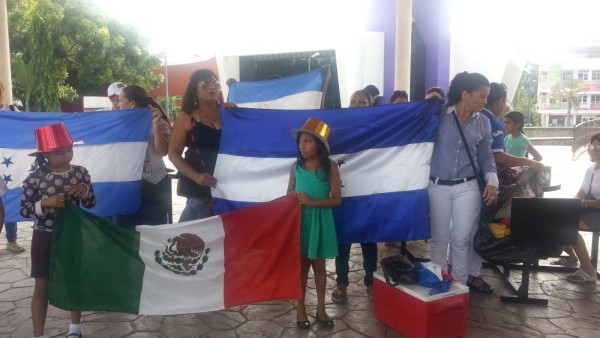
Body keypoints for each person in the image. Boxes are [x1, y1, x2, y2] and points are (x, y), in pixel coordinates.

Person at [20, 123, 96, 338]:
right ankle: (39, 334)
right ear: (45, 154)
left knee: (73, 279)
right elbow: (25, 211)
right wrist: (45, 203)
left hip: (73, 234)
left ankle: (74, 329)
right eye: (59, 152)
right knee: (41, 285)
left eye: (69, 150)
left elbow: (90, 204)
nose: (66, 156)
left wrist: (84, 191)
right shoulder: (35, 178)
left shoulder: (81, 173)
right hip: (44, 235)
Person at [428, 72, 498, 291]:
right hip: (437, 186)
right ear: (465, 94)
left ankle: (458, 287)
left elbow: (486, 156)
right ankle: (438, 282)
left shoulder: (483, 122)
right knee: (439, 239)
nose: (485, 101)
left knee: (461, 240)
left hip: (467, 187)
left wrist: (492, 180)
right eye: (482, 96)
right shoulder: (439, 115)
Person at [288, 117, 341, 329]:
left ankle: (321, 308)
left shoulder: (331, 167)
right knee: (301, 268)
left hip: (320, 221)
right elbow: (289, 194)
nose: (302, 145)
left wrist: (312, 202)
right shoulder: (295, 167)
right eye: (301, 141)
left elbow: (337, 199)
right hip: (301, 223)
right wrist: (292, 201)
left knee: (320, 267)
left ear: (319, 145)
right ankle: (301, 309)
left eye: (308, 141)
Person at [331, 89, 378, 302]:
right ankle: (341, 284)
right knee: (343, 241)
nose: (357, 104)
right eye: (354, 101)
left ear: (371, 105)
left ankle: (371, 282)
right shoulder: (340, 127)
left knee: (369, 239)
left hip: (367, 192)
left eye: (362, 102)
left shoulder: (377, 127)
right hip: (345, 190)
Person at [168, 69, 227, 221]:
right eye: (205, 84)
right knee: (201, 239)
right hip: (198, 190)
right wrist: (196, 177)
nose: (212, 87)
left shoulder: (229, 113)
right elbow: (173, 153)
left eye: (215, 83)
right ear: (195, 90)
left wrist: (237, 112)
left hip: (227, 187)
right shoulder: (186, 117)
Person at [548, 132, 600, 282]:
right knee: (554, 215)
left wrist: (583, 203)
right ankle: (572, 257)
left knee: (569, 224)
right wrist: (571, 203)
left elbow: (587, 201)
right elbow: (583, 192)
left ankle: (588, 270)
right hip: (591, 208)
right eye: (593, 145)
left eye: (599, 146)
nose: (595, 148)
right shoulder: (591, 169)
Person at [118, 85, 171, 225]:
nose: (118, 105)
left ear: (132, 103)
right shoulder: (119, 124)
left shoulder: (159, 122)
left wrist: (156, 125)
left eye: (120, 100)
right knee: (127, 233)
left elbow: (163, 152)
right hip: (128, 186)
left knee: (154, 233)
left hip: (155, 184)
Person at [1, 80, 26, 253]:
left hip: (8, 164)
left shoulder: (11, 111)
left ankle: (12, 240)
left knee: (11, 199)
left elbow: (26, 129)